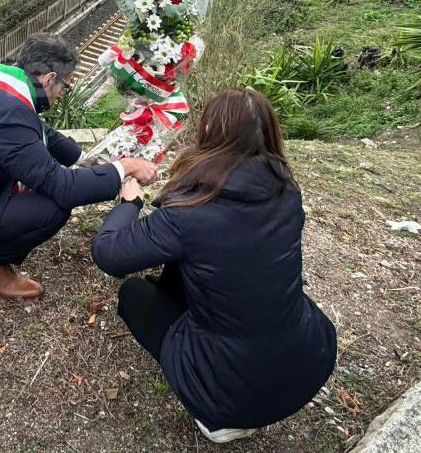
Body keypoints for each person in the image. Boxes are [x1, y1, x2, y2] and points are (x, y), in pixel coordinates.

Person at [92, 89, 337, 444]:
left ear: (208, 132)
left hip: (230, 392)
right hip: (308, 359)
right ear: (269, 133)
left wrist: (130, 203)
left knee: (134, 294)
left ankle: (217, 418)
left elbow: (109, 253)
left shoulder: (191, 210)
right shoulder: (287, 190)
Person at [0, 33, 157, 300]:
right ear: (49, 79)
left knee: (35, 190)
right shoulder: (7, 113)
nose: (60, 96)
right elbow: (64, 188)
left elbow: (39, 130)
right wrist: (124, 167)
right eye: (64, 87)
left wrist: (83, 158)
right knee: (53, 207)